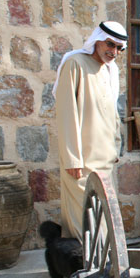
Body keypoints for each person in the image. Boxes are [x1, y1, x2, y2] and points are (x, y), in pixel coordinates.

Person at [53, 21, 127, 240]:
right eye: (110, 44)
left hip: (104, 159)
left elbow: (112, 114)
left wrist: (115, 147)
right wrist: (72, 159)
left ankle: (103, 260)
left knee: (103, 216)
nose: (114, 52)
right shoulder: (75, 64)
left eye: (119, 48)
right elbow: (67, 113)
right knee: (83, 218)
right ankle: (85, 260)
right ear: (97, 40)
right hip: (81, 162)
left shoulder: (110, 71)